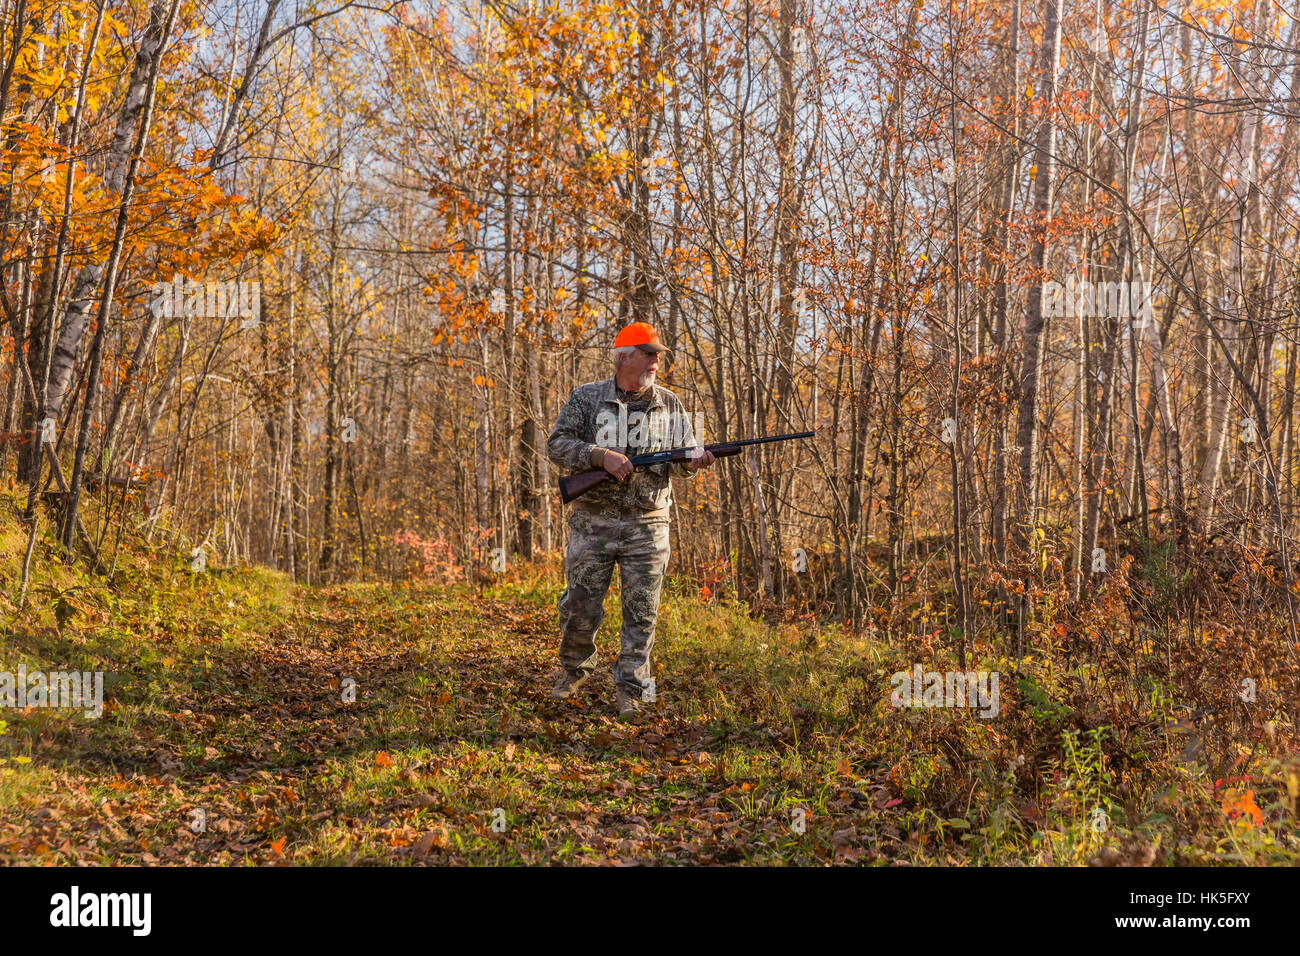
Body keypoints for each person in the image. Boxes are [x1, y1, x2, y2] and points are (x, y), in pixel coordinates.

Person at [545, 322, 716, 719]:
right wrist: (597, 456)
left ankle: (633, 689)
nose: (657, 360)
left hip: (649, 523)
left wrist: (694, 464)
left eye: (658, 353)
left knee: (642, 609)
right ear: (624, 357)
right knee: (580, 605)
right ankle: (573, 670)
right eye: (648, 352)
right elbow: (557, 444)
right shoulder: (587, 398)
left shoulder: (670, 404)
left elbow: (683, 461)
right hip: (593, 523)